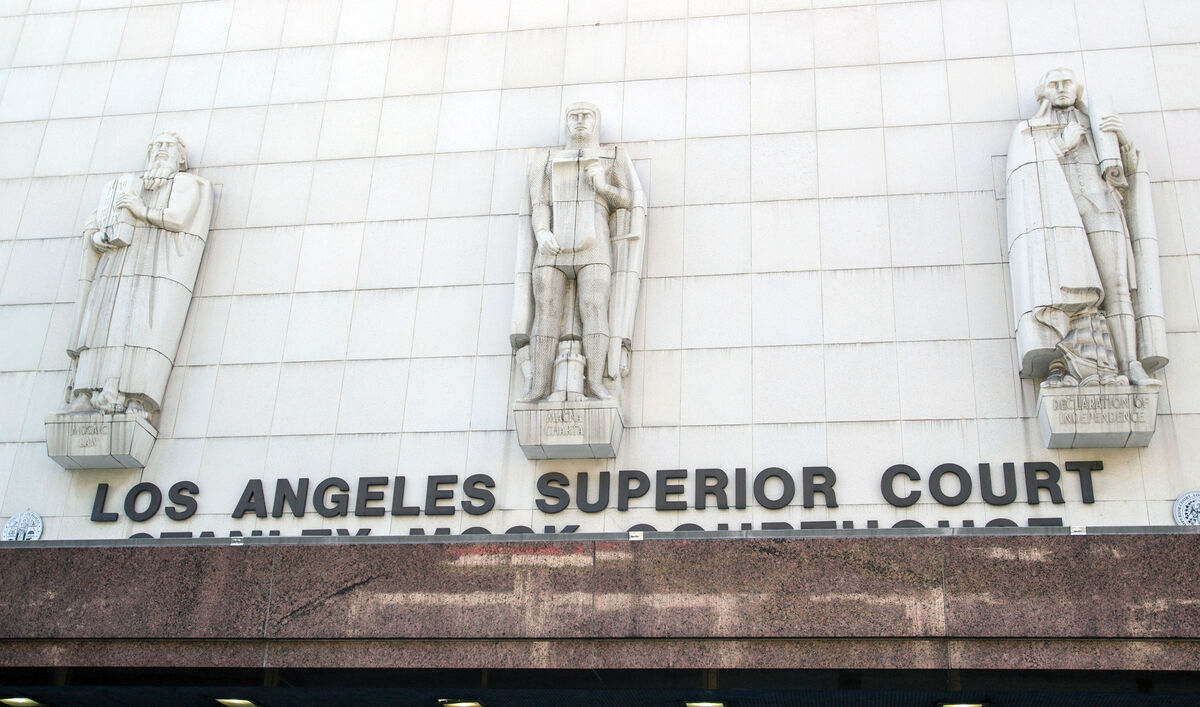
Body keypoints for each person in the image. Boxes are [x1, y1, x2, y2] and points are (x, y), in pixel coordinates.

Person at [1005, 68, 1166, 387]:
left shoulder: (1096, 124)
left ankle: (1129, 363)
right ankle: (1074, 363)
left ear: (1077, 88)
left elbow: (1128, 173)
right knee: (1075, 291)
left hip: (1102, 207)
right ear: (1044, 92)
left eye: (1067, 83)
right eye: (1054, 84)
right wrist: (1061, 145)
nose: (1061, 89)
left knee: (1117, 287)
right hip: (1062, 218)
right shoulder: (1030, 130)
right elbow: (1024, 175)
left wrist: (1122, 139)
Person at [62, 131, 213, 419]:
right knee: (102, 326)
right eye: (156, 145)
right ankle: (88, 392)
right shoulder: (127, 186)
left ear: (181, 158)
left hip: (154, 269)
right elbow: (96, 220)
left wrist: (139, 209)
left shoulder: (186, 182)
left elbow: (178, 217)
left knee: (141, 330)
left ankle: (134, 397)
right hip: (116, 266)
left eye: (168, 146)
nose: (161, 150)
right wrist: (97, 237)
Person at [511, 103, 646, 403]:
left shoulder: (612, 157)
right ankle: (538, 386)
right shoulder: (545, 160)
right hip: (552, 242)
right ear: (566, 122)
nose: (580, 121)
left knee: (594, 306)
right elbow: (539, 204)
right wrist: (541, 232)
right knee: (546, 307)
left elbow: (627, 200)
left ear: (596, 121)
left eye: (586, 116)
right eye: (574, 116)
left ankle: (595, 382)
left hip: (594, 241)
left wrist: (602, 187)